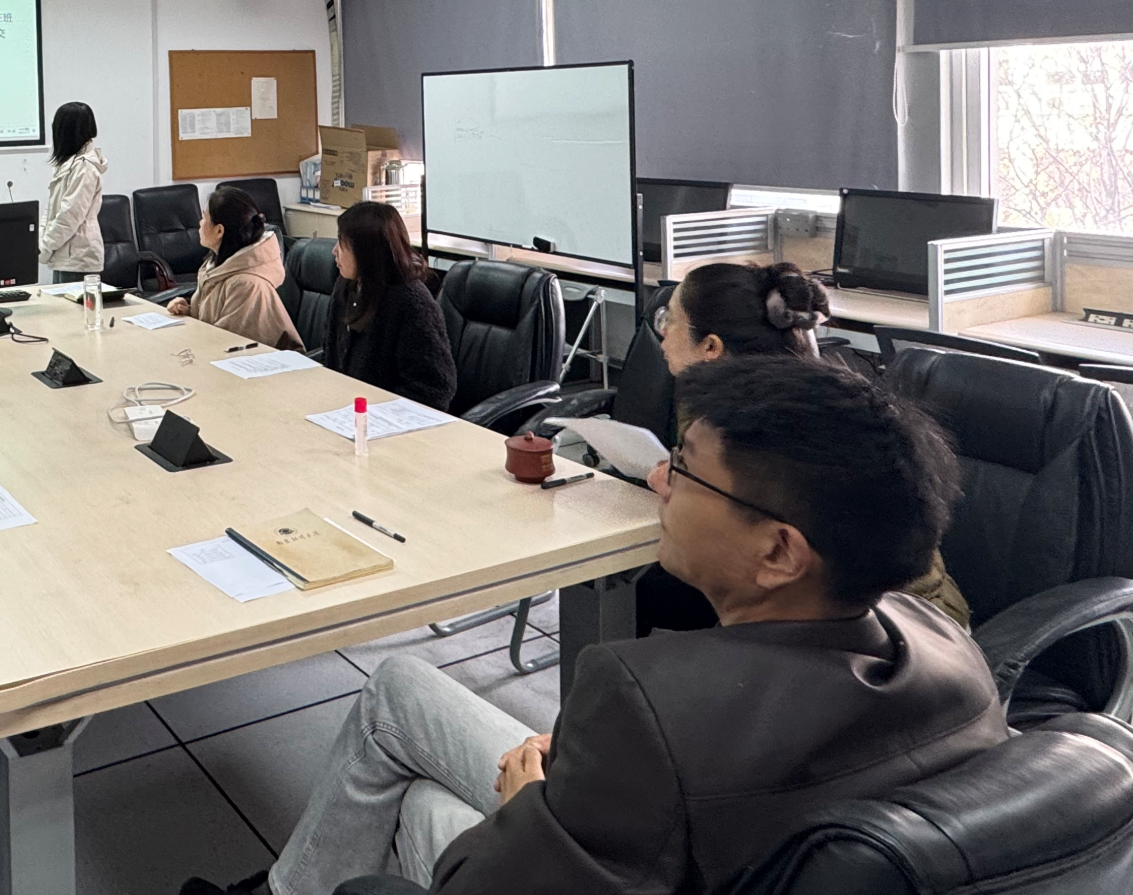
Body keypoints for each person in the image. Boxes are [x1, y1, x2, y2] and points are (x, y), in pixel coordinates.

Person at [178, 355, 1005, 895]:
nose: (660, 483)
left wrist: (528, 808)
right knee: (397, 690)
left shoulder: (650, 704)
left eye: (686, 471)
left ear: (780, 552)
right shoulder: (950, 651)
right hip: (701, 848)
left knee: (421, 810)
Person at [639, 261, 970, 634]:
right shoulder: (763, 402)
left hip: (898, 626)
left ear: (711, 346)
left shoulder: (769, 431)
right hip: (845, 605)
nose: (662, 333)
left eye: (670, 320)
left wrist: (681, 482)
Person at [323, 199, 456, 411]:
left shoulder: (411, 301)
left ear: (366, 251)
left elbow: (434, 389)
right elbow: (332, 356)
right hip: (347, 407)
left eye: (342, 243)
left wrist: (376, 410)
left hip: (389, 417)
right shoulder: (347, 285)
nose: (334, 251)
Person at [167, 186, 302, 349]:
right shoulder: (217, 266)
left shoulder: (246, 284)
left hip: (263, 362)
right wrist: (188, 311)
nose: (200, 223)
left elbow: (225, 342)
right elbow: (212, 325)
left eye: (204, 217)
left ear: (219, 230)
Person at [40, 101, 106, 282]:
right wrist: (42, 241)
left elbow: (69, 216)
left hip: (79, 258)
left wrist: (45, 248)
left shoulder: (85, 167)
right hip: (64, 255)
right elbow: (52, 208)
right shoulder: (70, 163)